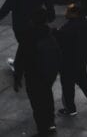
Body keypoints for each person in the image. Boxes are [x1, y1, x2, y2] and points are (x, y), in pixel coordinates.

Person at [13, 7, 61, 136]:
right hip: (48, 74)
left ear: (32, 20)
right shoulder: (51, 33)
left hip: (34, 75)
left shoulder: (27, 37)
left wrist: (17, 77)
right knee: (47, 97)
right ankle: (50, 123)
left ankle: (43, 129)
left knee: (37, 103)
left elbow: (20, 58)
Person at [55, 3, 87, 116]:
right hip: (82, 57)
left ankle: (70, 108)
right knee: (82, 77)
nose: (66, 13)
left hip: (67, 59)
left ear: (75, 13)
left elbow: (60, 43)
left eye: (69, 11)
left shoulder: (67, 28)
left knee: (67, 84)